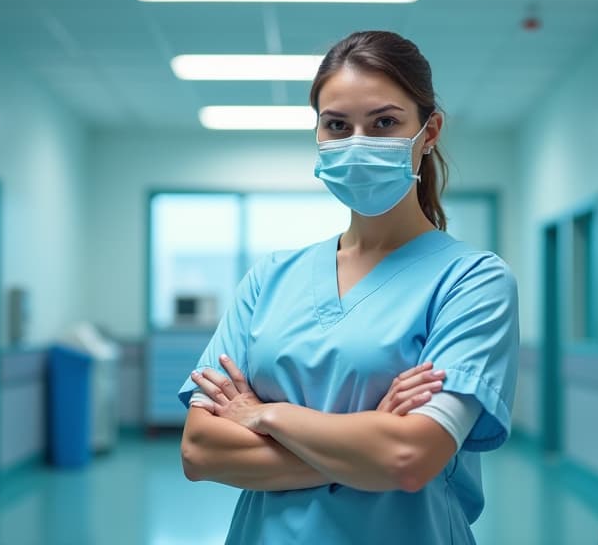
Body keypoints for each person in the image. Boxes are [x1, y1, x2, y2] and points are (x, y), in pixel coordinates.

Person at [178, 30, 519, 544]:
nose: (358, 142)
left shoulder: (473, 281)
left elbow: (408, 458)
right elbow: (200, 450)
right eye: (337, 125)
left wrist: (266, 414)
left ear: (429, 133)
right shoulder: (270, 278)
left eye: (384, 123)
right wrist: (367, 438)